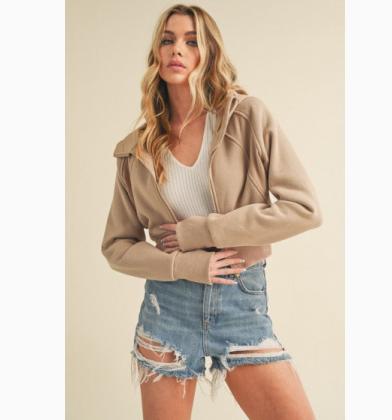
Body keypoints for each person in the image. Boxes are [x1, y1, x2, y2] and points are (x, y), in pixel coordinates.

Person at [101, 4, 322, 419]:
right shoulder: (136, 149)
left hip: (240, 300)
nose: (177, 50)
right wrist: (185, 265)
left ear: (209, 53)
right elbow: (116, 246)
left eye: (191, 41)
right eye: (168, 40)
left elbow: (304, 209)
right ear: (156, 54)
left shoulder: (246, 117)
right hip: (167, 306)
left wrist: (203, 231)